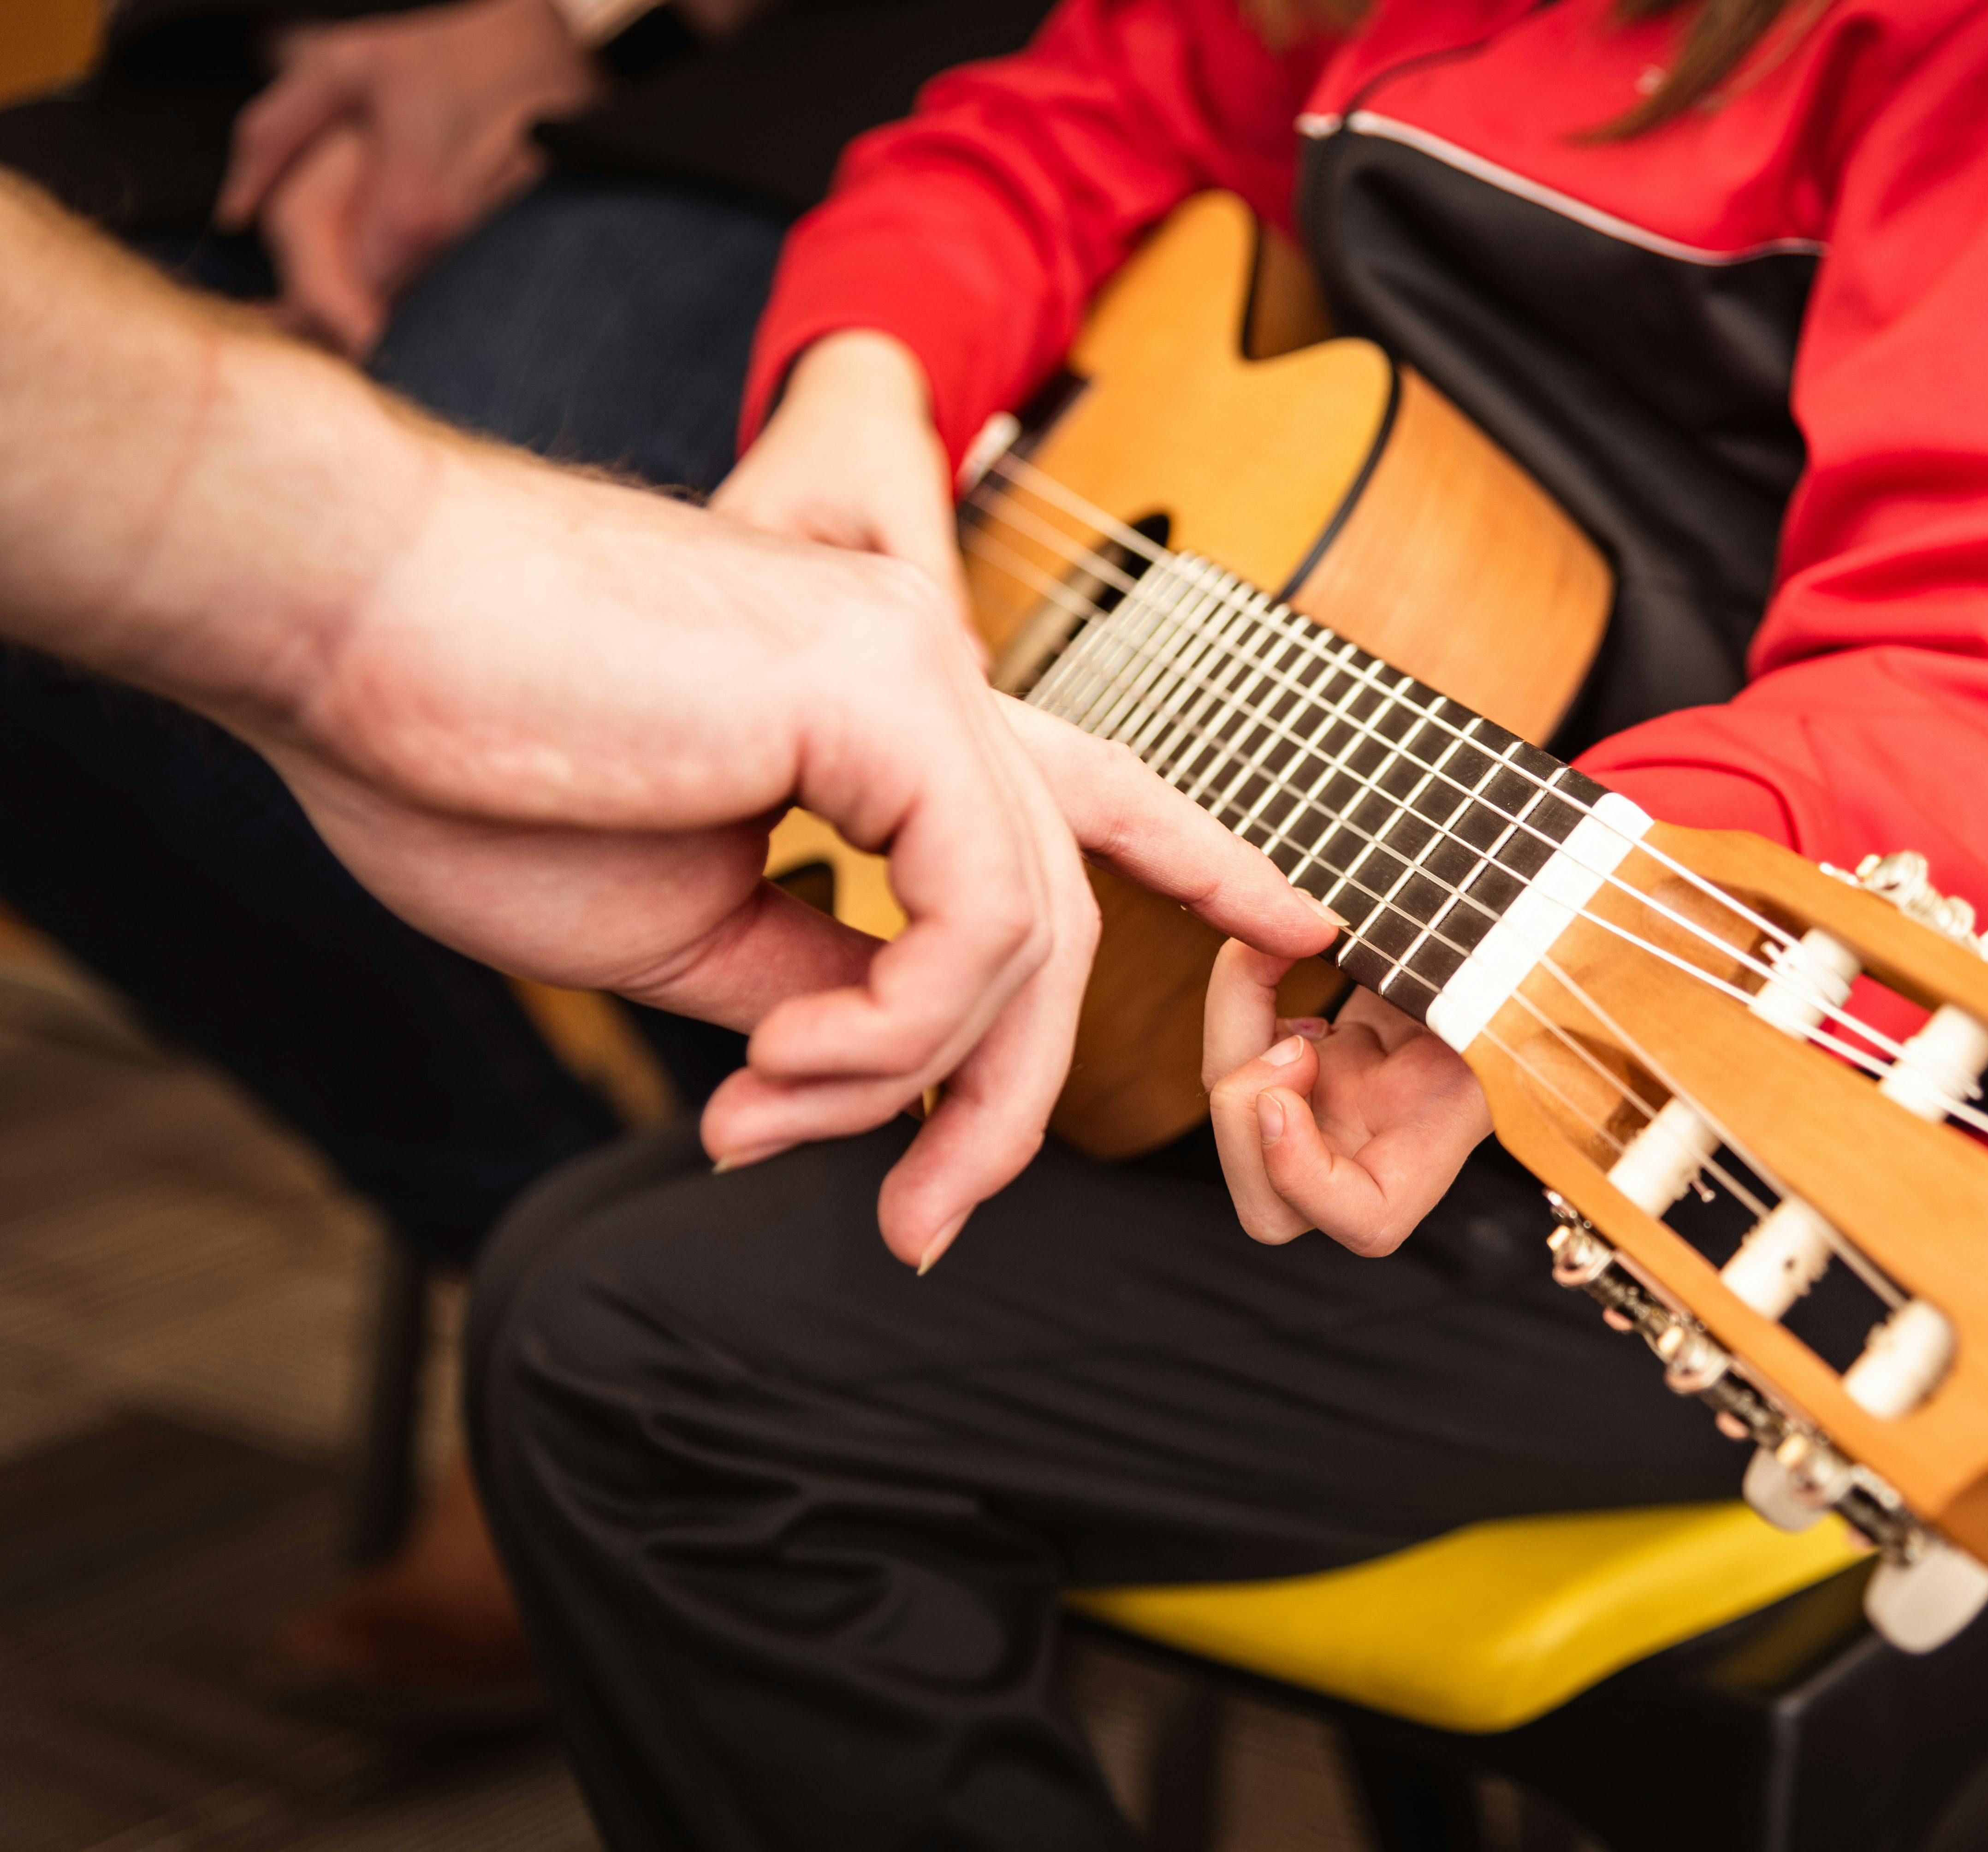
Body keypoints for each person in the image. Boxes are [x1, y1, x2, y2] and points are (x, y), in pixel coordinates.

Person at [464, 0, 1988, 1843]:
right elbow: (1067, 113)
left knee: (636, 1365)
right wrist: (869, 371)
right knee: (573, 1250)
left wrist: (1590, 896)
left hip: (1780, 1142)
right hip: (1399, 995)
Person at [0, 0, 1046, 1701]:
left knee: (518, 417)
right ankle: (544, 1242)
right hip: (286, 63)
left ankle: (830, 1324)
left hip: (778, 68)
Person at [0, 143, 1335, 1439]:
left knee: (503, 399)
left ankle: (720, 1362)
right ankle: (555, 1270)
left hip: (731, 99)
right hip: (247, 115)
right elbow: (1089, 98)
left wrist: (363, 597)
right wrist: (868, 363)